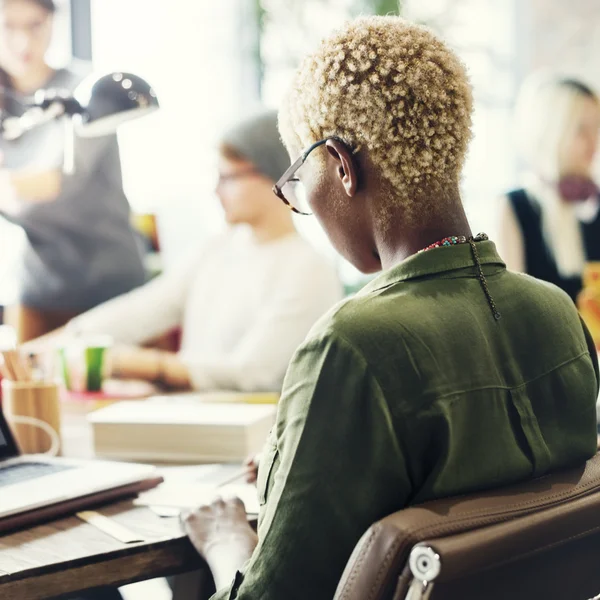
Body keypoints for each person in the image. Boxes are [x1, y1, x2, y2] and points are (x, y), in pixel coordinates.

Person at [179, 17, 599, 600]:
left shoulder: (351, 345)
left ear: (342, 166)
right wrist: (299, 458)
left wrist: (227, 541)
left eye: (301, 178)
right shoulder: (559, 317)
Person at [29, 109, 342, 392]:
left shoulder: (307, 269)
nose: (215, 190)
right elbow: (144, 309)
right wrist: (50, 345)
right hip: (193, 419)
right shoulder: (215, 250)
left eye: (228, 178)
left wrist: (134, 363)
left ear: (275, 177)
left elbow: (251, 374)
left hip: (249, 435)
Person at [0, 0, 146, 342]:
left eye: (35, 25)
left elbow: (56, 181)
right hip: (40, 288)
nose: (23, 42)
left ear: (53, 22)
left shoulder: (87, 92)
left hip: (110, 282)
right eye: (8, 26)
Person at [496, 75, 600, 302]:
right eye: (582, 129)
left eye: (596, 128)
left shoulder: (596, 201)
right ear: (553, 130)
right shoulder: (516, 207)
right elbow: (512, 306)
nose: (594, 141)